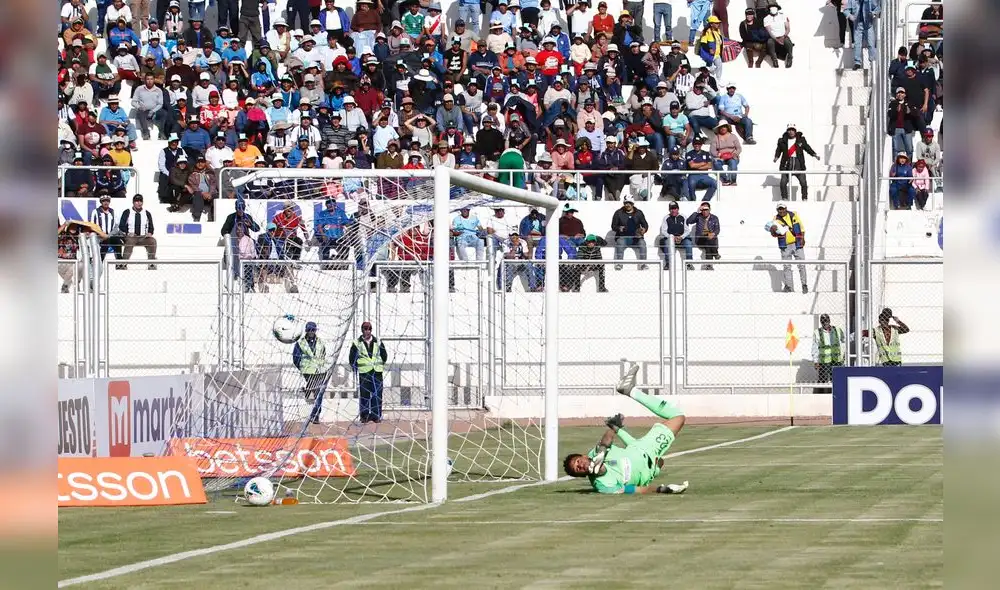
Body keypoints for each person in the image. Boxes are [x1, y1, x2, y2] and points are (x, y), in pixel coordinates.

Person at [563, 363, 689, 495]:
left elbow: (606, 441)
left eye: (578, 462)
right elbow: (632, 489)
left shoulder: (594, 454)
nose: (580, 466)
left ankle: (630, 390)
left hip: (645, 448)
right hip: (650, 463)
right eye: (578, 469)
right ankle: (629, 392)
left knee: (678, 417)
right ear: (583, 475)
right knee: (660, 461)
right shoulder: (603, 486)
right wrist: (661, 489)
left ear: (583, 456)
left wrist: (606, 444)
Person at [349, 321, 388, 423]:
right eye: (365, 329)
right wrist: (356, 367)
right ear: (362, 330)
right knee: (365, 394)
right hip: (364, 372)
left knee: (377, 394)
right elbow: (352, 358)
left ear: (371, 330)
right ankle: (364, 415)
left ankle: (376, 416)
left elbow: (384, 355)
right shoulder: (357, 343)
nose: (367, 331)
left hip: (377, 372)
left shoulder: (378, 342)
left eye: (369, 329)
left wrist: (379, 365)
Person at [292, 322, 329, 425]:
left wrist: (322, 364)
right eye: (309, 330)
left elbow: (323, 353)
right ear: (306, 331)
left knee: (319, 392)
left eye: (313, 330)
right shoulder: (300, 343)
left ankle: (315, 415)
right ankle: (308, 391)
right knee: (314, 391)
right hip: (308, 371)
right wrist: (302, 367)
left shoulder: (320, 342)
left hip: (320, 370)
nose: (311, 332)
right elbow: (296, 358)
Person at [773, 123, 820, 201]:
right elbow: (778, 150)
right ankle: (784, 198)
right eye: (789, 130)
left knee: (803, 183)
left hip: (799, 164)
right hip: (786, 164)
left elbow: (807, 148)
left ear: (795, 131)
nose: (791, 132)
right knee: (783, 183)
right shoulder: (782, 140)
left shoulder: (801, 139)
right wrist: (776, 157)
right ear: (787, 131)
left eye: (792, 130)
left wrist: (814, 155)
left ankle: (804, 198)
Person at [771, 202, 807, 293]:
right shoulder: (775, 219)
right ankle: (789, 286)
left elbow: (801, 228)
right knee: (787, 266)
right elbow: (774, 234)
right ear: (777, 210)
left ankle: (804, 285)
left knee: (801, 265)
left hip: (797, 243)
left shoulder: (794, 215)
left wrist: (803, 238)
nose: (781, 210)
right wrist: (773, 231)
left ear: (786, 208)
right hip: (785, 246)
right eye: (779, 209)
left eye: (782, 208)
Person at [117, 194, 157, 269]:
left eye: (140, 201)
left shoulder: (146, 213)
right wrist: (128, 233)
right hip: (131, 236)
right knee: (130, 241)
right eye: (137, 201)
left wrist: (149, 233)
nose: (139, 203)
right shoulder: (127, 212)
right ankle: (124, 263)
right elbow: (121, 226)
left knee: (153, 241)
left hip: (143, 237)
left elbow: (151, 226)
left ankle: (151, 262)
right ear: (133, 202)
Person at [611, 196, 649, 270]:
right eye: (626, 203)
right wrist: (619, 228)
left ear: (633, 204)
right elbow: (613, 226)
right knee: (620, 242)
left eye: (630, 203)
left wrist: (644, 230)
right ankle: (619, 264)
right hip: (623, 237)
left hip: (636, 237)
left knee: (642, 243)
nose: (628, 205)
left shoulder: (639, 213)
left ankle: (643, 264)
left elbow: (645, 224)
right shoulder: (618, 213)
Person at [812, 313, 844, 393]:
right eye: (823, 321)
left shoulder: (837, 330)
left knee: (837, 379)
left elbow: (845, 340)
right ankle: (821, 396)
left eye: (826, 320)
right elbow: (815, 347)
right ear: (821, 322)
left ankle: (838, 394)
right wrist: (816, 361)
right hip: (824, 361)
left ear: (829, 320)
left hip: (837, 360)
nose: (825, 323)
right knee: (823, 381)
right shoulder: (817, 332)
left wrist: (844, 355)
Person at [845, 0, 881, 71]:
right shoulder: (852, 1)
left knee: (871, 43)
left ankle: (872, 61)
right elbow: (846, 11)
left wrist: (873, 13)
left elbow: (878, 8)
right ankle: (857, 63)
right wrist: (850, 16)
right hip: (857, 25)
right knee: (857, 44)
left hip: (868, 25)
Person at [90, 194, 126, 264]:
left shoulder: (113, 212)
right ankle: (99, 263)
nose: (106, 203)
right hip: (99, 236)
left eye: (107, 201)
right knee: (105, 243)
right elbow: (93, 226)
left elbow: (116, 227)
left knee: (118, 241)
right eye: (104, 201)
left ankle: (120, 263)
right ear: (101, 202)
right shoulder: (95, 212)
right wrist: (102, 234)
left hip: (110, 235)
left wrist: (109, 235)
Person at [659, 201, 694, 270]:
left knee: (689, 244)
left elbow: (687, 230)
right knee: (666, 243)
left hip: (682, 238)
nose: (673, 210)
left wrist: (681, 237)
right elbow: (664, 231)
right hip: (671, 238)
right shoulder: (666, 218)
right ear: (669, 210)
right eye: (671, 209)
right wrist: (672, 237)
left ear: (678, 209)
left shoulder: (683, 217)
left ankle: (689, 263)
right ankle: (668, 263)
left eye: (675, 208)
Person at [686, 201, 720, 269]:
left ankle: (709, 265)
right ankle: (715, 253)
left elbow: (717, 229)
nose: (704, 211)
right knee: (708, 240)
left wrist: (713, 234)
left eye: (706, 209)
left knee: (708, 243)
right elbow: (689, 221)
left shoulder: (714, 218)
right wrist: (697, 212)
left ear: (709, 210)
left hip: (711, 239)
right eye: (703, 210)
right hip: (700, 239)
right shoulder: (698, 216)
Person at [762, 1, 793, 68]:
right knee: (770, 42)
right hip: (773, 37)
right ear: (769, 9)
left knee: (789, 43)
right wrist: (776, 39)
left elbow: (788, 28)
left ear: (777, 8)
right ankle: (774, 59)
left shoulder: (783, 16)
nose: (773, 9)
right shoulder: (766, 19)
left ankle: (790, 58)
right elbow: (769, 31)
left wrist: (784, 36)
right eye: (771, 7)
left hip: (783, 35)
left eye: (775, 7)